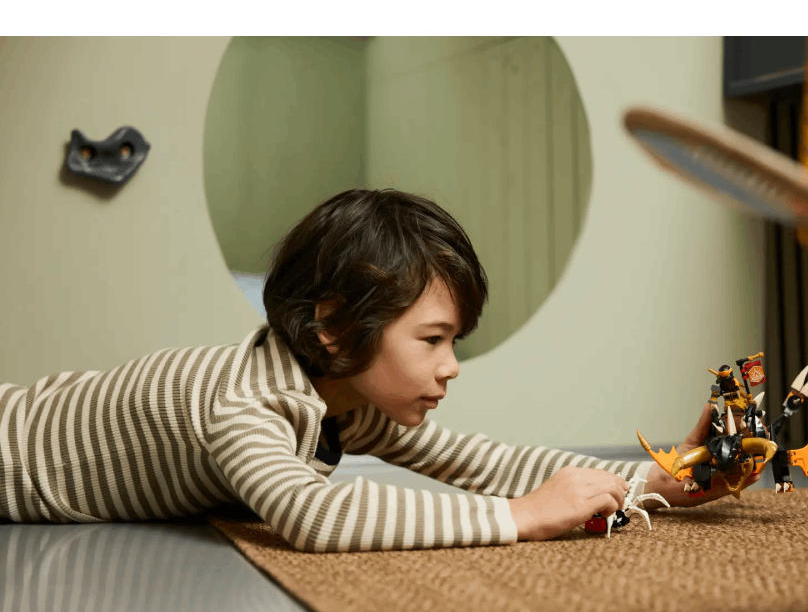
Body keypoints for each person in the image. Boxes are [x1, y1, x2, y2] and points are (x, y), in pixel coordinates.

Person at [0, 189, 755, 552]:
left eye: (454, 342)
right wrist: (520, 518)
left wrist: (662, 478)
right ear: (332, 327)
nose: (450, 367)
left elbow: (484, 463)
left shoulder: (343, 400)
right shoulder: (247, 406)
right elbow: (314, 517)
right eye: (432, 340)